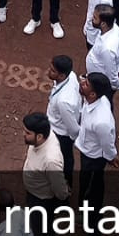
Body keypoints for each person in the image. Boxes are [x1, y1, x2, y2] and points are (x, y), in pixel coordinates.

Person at [21, 111, 69, 236]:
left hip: (42, 200)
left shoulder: (50, 160)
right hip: (34, 194)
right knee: (37, 231)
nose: (23, 134)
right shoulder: (42, 140)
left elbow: (60, 189)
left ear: (39, 136)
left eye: (27, 133)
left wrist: (61, 197)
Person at [75, 72, 119, 236]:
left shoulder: (101, 121)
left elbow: (107, 143)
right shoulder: (93, 101)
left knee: (91, 198)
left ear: (93, 94)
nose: (82, 83)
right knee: (86, 187)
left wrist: (112, 156)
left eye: (86, 84)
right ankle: (84, 213)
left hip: (94, 160)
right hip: (87, 154)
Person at [46, 55, 82, 187]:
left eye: (52, 71)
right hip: (57, 126)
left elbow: (72, 128)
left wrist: (72, 140)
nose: (48, 71)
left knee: (63, 160)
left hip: (61, 134)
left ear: (61, 75)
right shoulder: (71, 75)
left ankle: (66, 185)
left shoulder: (63, 102)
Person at [85, 6, 119, 96]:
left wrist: (118, 84)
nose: (92, 19)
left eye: (95, 18)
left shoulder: (107, 49)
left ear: (103, 24)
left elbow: (111, 74)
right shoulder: (114, 28)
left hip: (100, 85)